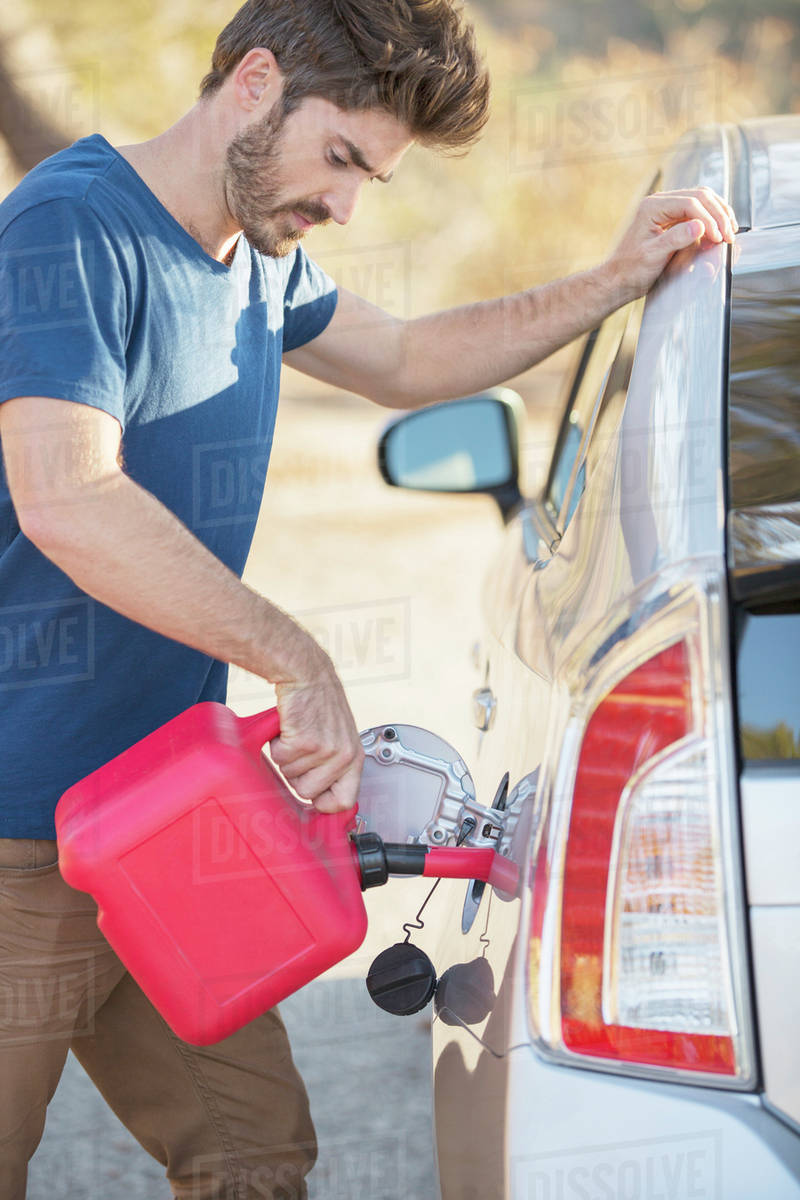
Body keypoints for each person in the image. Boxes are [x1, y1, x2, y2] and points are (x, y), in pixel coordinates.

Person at [0, 0, 737, 1196]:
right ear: (252, 84)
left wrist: (610, 280)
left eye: (369, 181)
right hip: (19, 829)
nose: (345, 206)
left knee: (257, 1159)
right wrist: (300, 660)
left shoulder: (257, 255)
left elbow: (405, 359)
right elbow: (67, 498)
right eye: (341, 159)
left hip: (163, 812)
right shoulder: (71, 231)